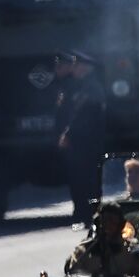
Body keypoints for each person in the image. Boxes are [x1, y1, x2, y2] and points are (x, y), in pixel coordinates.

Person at [54, 51, 106, 222]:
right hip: (78, 143)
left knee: (89, 180)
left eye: (76, 65)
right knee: (78, 179)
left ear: (85, 67)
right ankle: (82, 212)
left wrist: (68, 133)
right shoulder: (75, 86)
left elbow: (82, 116)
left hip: (87, 142)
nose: (73, 68)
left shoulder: (91, 88)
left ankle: (91, 213)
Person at [66, 202, 139, 277]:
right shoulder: (84, 251)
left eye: (112, 222)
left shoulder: (130, 250)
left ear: (121, 225)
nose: (108, 226)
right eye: (104, 221)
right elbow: (73, 276)